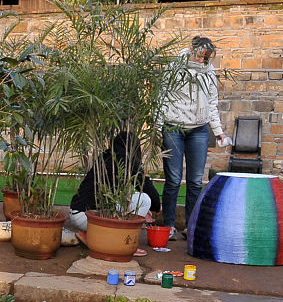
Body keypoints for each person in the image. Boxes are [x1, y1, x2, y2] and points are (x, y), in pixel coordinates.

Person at [160, 36, 230, 240]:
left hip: (199, 129)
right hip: (173, 127)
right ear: (191, 49)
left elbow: (212, 103)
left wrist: (218, 131)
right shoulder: (174, 67)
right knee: (173, 179)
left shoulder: (209, 71)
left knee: (195, 180)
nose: (202, 61)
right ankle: (169, 225)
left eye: (206, 58)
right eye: (200, 56)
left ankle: (191, 226)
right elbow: (162, 97)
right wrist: (158, 128)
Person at [65, 131, 161, 256]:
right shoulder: (126, 160)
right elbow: (144, 184)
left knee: (136, 201)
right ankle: (125, 243)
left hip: (78, 213)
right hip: (89, 216)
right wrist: (156, 206)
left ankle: (93, 235)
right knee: (144, 200)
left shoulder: (106, 156)